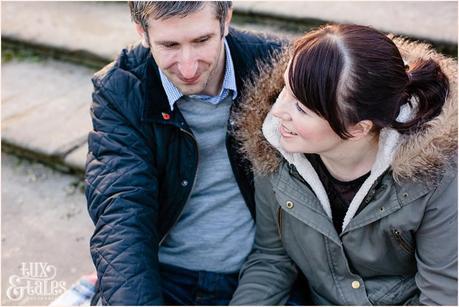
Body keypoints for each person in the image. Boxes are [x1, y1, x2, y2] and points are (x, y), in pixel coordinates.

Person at [230, 24, 457, 305]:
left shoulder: (440, 173)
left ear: (358, 128)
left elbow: (443, 296)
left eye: (301, 108)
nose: (277, 111)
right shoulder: (275, 147)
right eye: (286, 89)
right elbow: (271, 260)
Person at [85, 1, 286, 305]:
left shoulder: (275, 65)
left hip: (261, 270)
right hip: (164, 275)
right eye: (169, 45)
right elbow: (121, 209)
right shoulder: (120, 90)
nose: (188, 67)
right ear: (142, 31)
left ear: (226, 19)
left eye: (202, 41)